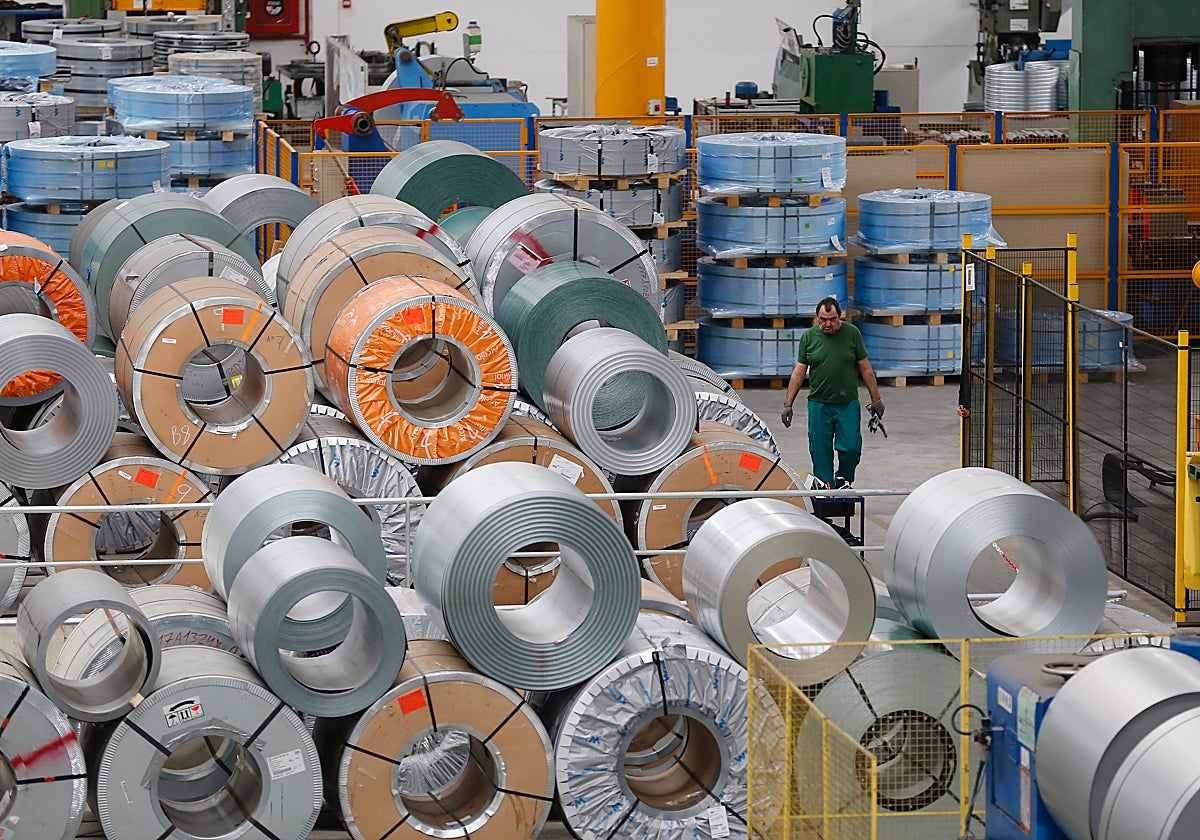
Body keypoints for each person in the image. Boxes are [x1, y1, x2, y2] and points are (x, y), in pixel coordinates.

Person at [780, 297, 884, 489]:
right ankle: (825, 486)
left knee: (851, 447)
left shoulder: (852, 334)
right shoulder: (809, 337)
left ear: (840, 316)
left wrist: (876, 399)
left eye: (832, 319)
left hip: (847, 404)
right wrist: (788, 404)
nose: (827, 324)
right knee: (820, 449)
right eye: (823, 320)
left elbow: (865, 368)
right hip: (819, 404)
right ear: (816, 318)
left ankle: (844, 480)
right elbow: (799, 373)